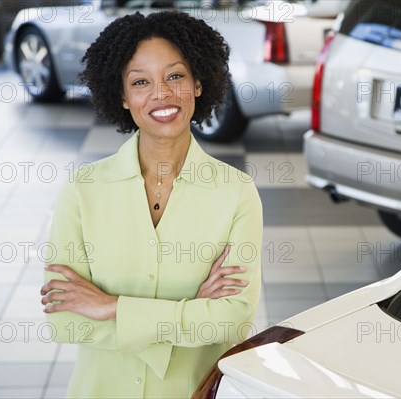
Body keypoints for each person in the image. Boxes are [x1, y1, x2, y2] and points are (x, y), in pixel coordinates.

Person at [40, 11, 262, 398]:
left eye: (175, 76)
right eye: (141, 81)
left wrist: (110, 307)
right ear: (123, 97)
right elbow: (66, 321)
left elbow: (230, 322)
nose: (161, 93)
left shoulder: (235, 192)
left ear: (197, 83)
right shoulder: (84, 189)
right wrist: (190, 312)